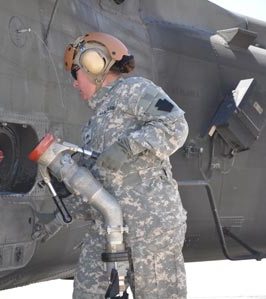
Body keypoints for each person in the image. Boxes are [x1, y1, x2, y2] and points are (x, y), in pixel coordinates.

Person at [63, 32, 189, 299]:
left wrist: (127, 146)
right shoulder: (94, 123)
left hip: (151, 227)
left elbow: (176, 125)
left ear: (94, 64)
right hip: (108, 228)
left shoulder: (135, 90)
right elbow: (96, 183)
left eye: (76, 74)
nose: (75, 84)